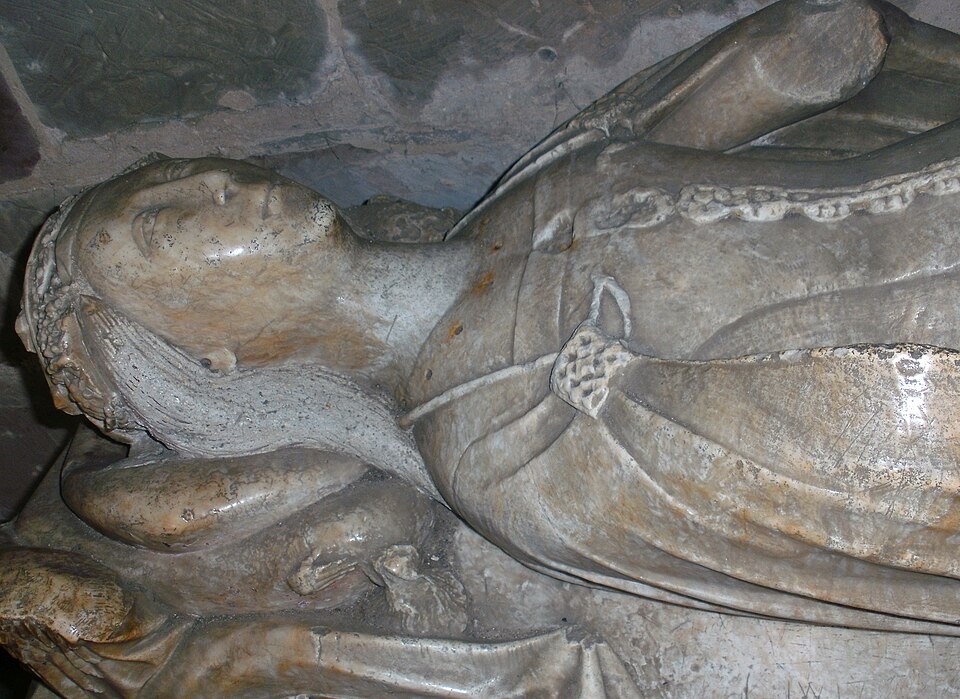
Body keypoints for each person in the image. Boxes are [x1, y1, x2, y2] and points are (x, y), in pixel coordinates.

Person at [14, 0, 960, 655]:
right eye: (165, 227)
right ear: (210, 361)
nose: (212, 187)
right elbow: (879, 489)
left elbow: (820, 50)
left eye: (175, 173)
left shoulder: (528, 188)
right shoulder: (502, 448)